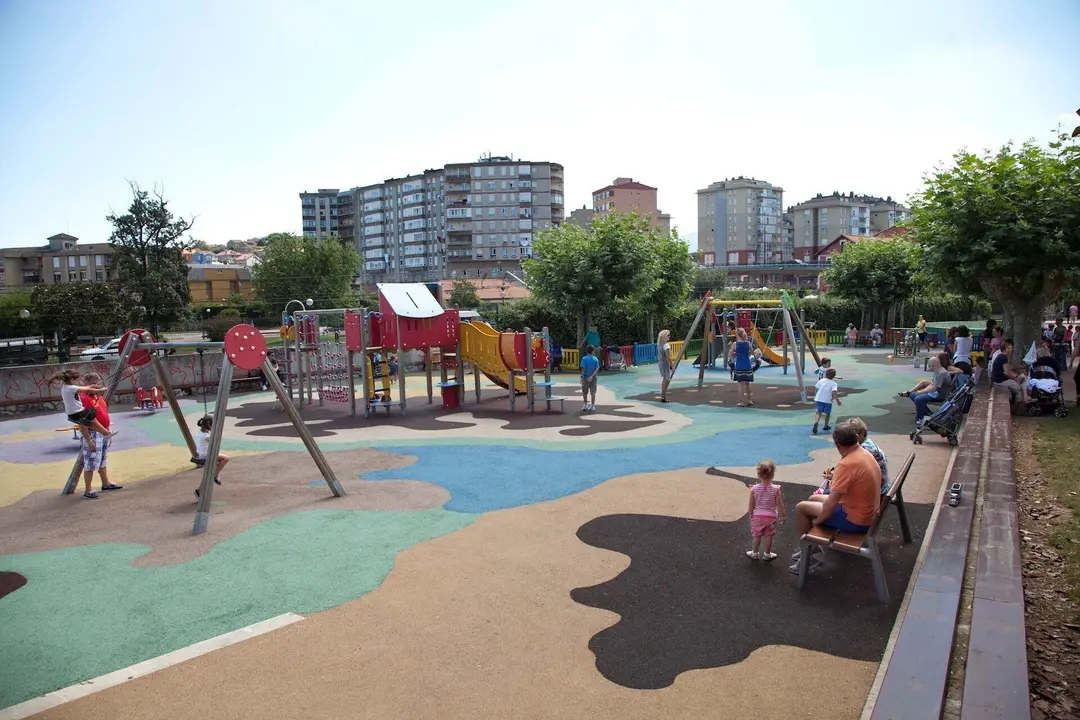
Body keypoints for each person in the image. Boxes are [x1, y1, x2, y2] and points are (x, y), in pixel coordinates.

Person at [790, 424, 882, 574]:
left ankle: (811, 554)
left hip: (857, 519)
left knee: (801, 508)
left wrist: (817, 521)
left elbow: (831, 503)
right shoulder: (863, 453)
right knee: (813, 498)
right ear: (856, 438)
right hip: (867, 512)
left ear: (837, 444)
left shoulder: (846, 464)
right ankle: (811, 548)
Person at [77, 373, 123, 499]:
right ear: (86, 385)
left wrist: (107, 431)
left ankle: (106, 483)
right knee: (91, 462)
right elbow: (83, 420)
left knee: (102, 460)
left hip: (103, 431)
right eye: (93, 383)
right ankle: (88, 490)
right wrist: (88, 439)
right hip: (92, 433)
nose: (96, 385)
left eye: (97, 383)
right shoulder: (85, 398)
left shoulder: (98, 396)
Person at [52, 370, 118, 451]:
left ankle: (106, 433)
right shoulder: (72, 388)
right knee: (89, 418)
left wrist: (93, 388)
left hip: (74, 413)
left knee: (91, 420)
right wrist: (100, 390)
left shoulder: (66, 387)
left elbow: (86, 388)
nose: (77, 382)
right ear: (72, 379)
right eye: (76, 380)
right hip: (77, 413)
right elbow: (87, 390)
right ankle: (105, 433)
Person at [746, 459, 786, 561]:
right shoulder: (776, 489)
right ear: (773, 475)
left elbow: (751, 504)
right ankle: (767, 554)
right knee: (768, 536)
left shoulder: (754, 489)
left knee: (757, 536)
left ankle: (755, 553)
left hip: (757, 516)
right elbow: (779, 504)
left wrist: (751, 514)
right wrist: (783, 516)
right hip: (771, 517)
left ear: (758, 475)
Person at [900, 355, 954, 421]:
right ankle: (927, 413)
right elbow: (932, 385)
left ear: (933, 365)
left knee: (918, 399)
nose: (928, 367)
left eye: (929, 365)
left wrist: (922, 392)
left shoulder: (941, 373)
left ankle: (921, 418)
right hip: (936, 393)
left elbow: (934, 388)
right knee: (912, 395)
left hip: (939, 395)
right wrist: (923, 391)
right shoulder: (939, 371)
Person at [193, 416, 229, 499]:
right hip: (206, 455)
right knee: (226, 458)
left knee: (209, 472)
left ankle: (199, 491)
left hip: (204, 454)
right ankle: (215, 475)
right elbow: (215, 442)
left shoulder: (202, 433)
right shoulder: (206, 436)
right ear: (209, 425)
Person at [990, 339, 1029, 406]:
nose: (1011, 349)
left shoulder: (1006, 356)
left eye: (1011, 348)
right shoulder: (1002, 358)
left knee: (1022, 378)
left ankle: (1024, 399)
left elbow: (1014, 366)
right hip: (1000, 381)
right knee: (1019, 388)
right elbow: (1007, 372)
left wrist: (1022, 367)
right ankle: (1019, 408)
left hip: (1002, 379)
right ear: (1004, 349)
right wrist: (1016, 377)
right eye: (1009, 348)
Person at [730, 327, 755, 407]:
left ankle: (741, 402)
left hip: (739, 366)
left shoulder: (735, 344)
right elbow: (752, 353)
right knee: (748, 383)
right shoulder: (748, 343)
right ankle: (749, 400)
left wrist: (735, 354)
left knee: (740, 384)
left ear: (737, 335)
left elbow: (730, 355)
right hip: (747, 365)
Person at [812, 368, 841, 434]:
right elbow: (834, 392)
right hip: (828, 400)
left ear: (825, 374)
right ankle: (826, 425)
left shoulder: (821, 381)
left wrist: (816, 395)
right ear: (834, 376)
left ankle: (816, 422)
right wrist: (838, 401)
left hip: (819, 399)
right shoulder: (833, 383)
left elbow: (816, 388)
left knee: (819, 413)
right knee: (828, 414)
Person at [580, 344, 600, 412]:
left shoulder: (584, 359)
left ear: (586, 351)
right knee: (593, 392)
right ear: (593, 351)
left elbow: (583, 369)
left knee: (584, 392)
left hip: (585, 378)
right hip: (593, 378)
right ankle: (592, 405)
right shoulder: (595, 359)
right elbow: (597, 368)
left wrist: (582, 377)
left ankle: (585, 404)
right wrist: (592, 376)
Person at [657, 329, 673, 403]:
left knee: (665, 379)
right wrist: (672, 366)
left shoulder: (660, 345)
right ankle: (663, 396)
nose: (669, 337)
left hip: (660, 363)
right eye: (668, 335)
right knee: (666, 380)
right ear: (664, 337)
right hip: (665, 363)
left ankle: (663, 396)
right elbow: (668, 357)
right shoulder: (666, 345)